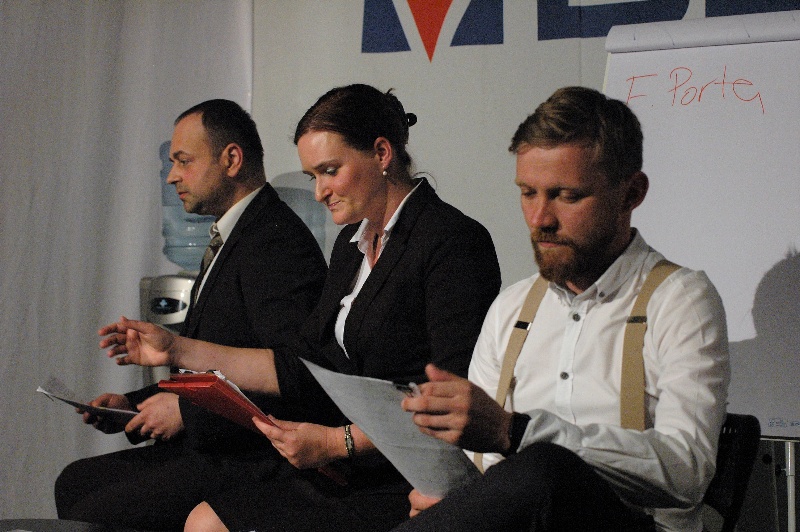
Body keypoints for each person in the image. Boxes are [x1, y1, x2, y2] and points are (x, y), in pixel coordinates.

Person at [98, 84, 502, 531]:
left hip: (409, 479)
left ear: (381, 153)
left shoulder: (452, 241)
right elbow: (300, 366)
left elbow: (455, 397)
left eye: (330, 171)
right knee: (200, 519)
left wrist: (337, 442)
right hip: (345, 466)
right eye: (313, 177)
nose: (320, 192)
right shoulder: (350, 247)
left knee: (205, 523)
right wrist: (176, 349)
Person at [398, 86, 730, 532]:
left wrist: (517, 433)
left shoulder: (680, 300)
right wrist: (451, 500)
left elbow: (686, 472)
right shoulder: (512, 307)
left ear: (631, 193)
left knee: (545, 468)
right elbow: (479, 464)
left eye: (566, 196)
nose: (540, 219)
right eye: (528, 193)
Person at [54, 99, 328, 531]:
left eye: (184, 161)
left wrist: (186, 414)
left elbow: (297, 378)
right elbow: (211, 368)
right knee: (74, 482)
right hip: (214, 446)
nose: (172, 176)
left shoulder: (274, 242)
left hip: (254, 460)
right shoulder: (235, 233)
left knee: (95, 512)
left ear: (231, 160)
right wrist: (132, 406)